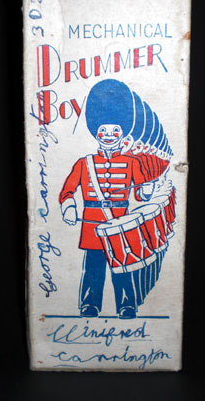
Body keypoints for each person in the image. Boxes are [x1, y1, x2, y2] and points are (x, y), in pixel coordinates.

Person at [59, 79, 154, 319]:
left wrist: (147, 188)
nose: (109, 135)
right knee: (93, 267)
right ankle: (90, 304)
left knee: (122, 265)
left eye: (115, 131)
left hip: (120, 223)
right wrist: (69, 206)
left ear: (122, 134)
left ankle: (127, 305)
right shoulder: (84, 163)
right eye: (103, 130)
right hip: (91, 224)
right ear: (96, 132)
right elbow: (67, 190)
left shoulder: (133, 163)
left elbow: (140, 194)